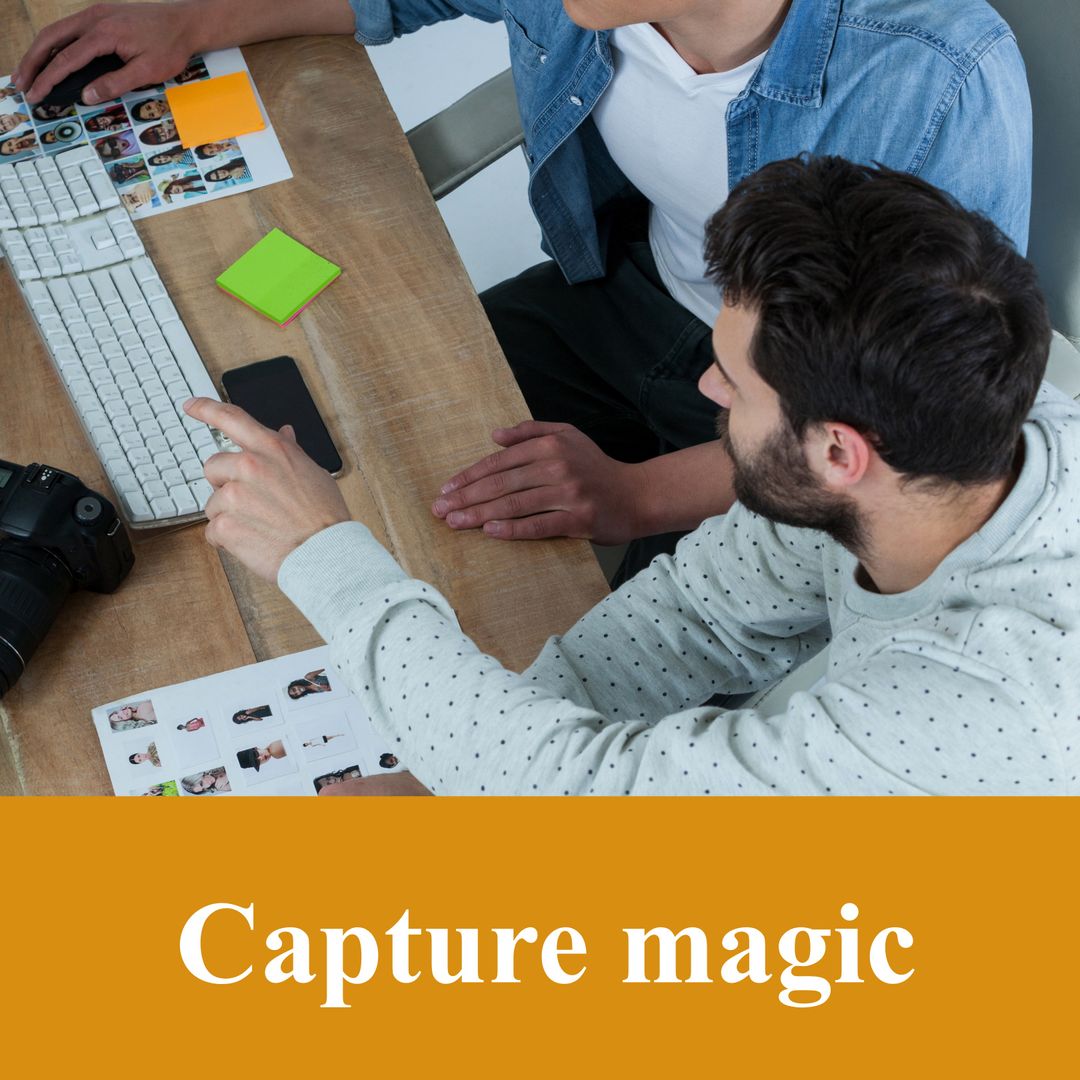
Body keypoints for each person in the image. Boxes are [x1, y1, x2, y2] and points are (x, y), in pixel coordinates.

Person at [11, 1, 1033, 579]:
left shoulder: (935, 77)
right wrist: (196, 16)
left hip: (799, 433)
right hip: (625, 298)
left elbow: (901, 427)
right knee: (345, 434)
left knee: (549, 641)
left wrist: (635, 495)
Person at [183, 156, 1077, 796]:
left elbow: (597, 801)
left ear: (840, 452)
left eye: (733, 377)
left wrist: (327, 558)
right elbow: (698, 613)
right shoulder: (954, 434)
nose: (705, 386)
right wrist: (467, 772)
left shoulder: (981, 709)